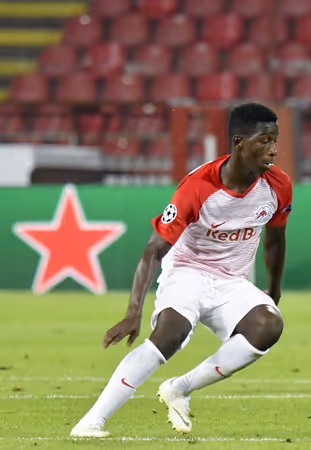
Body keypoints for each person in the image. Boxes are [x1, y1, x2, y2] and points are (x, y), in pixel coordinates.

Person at [70, 103, 293, 437]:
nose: (273, 150)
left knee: (268, 325)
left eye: (275, 140)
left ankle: (180, 388)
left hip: (231, 281)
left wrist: (273, 290)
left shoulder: (278, 185)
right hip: (188, 271)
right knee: (169, 334)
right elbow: (153, 250)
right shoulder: (198, 186)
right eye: (264, 141)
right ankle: (91, 422)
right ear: (239, 142)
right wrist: (133, 312)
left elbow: (275, 240)